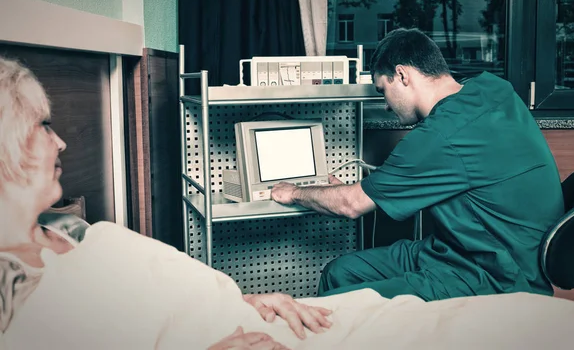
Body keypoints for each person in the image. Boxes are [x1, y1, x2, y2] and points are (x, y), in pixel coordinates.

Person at [0, 57, 331, 349]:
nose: (60, 142)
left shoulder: (73, 229)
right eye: (44, 125)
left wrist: (249, 302)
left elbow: (154, 308)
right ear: (7, 143)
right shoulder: (11, 287)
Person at [271, 28, 564, 302]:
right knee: (341, 273)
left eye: (382, 90)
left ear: (402, 75)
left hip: (495, 276)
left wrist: (294, 192)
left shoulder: (438, 135)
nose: (385, 104)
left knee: (351, 296)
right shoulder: (494, 89)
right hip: (467, 252)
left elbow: (351, 205)